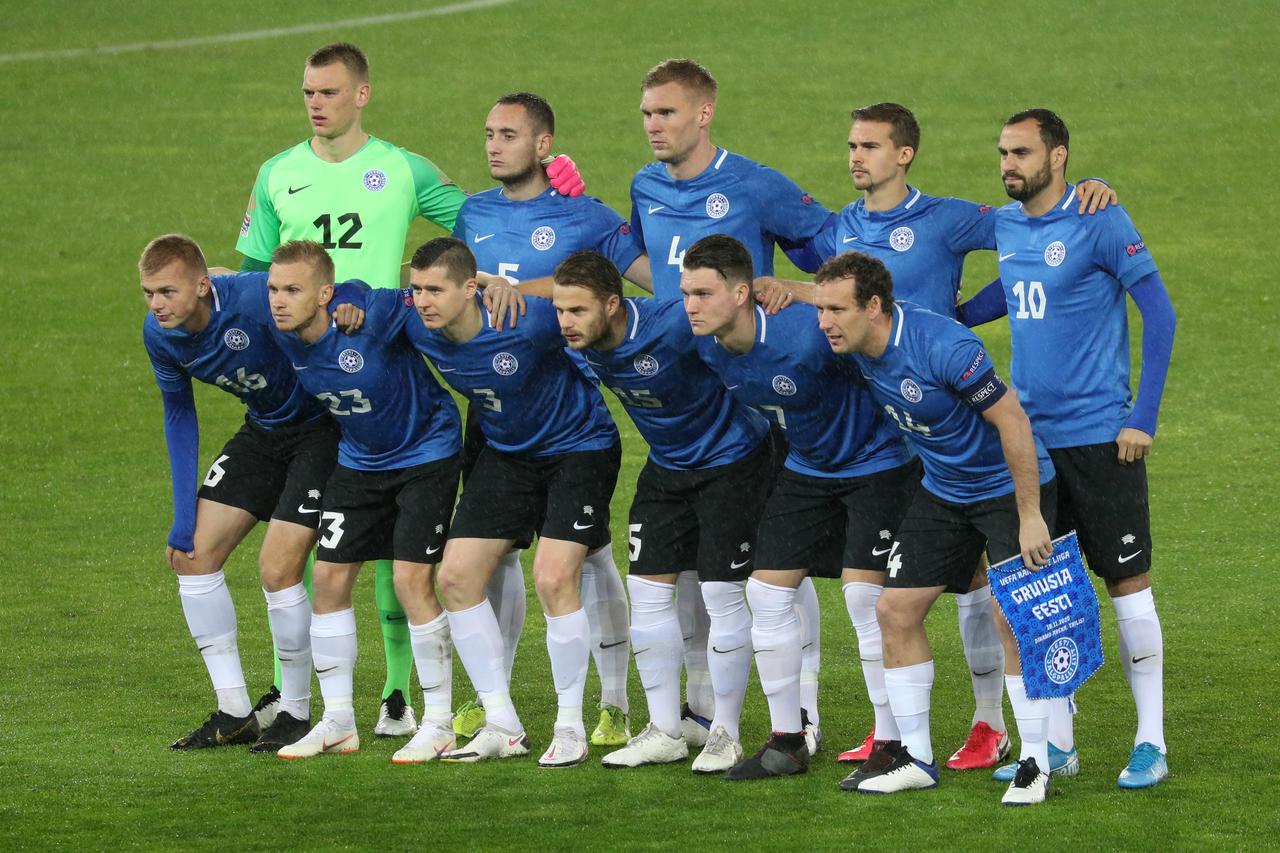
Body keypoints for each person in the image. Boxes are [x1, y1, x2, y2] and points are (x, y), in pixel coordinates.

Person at [234, 42, 583, 735]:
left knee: (400, 553)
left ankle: (397, 693)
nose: (315, 102)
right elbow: (255, 273)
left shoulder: (402, 169)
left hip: (388, 365)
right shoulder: (277, 174)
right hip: (312, 378)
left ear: (361, 94)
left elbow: (481, 227)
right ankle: (300, 698)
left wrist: (558, 189)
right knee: (309, 548)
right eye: (308, 91)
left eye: (328, 91)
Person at [756, 102, 1117, 769]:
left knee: (984, 585)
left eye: (869, 145)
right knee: (894, 592)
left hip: (947, 414)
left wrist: (969, 313)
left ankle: (1001, 725)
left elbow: (1033, 237)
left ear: (905, 154)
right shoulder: (843, 229)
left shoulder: (949, 218)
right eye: (851, 144)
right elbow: (837, 299)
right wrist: (791, 290)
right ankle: (898, 734)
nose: (855, 156)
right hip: (891, 425)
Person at [960, 108, 1176, 789]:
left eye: (1021, 152)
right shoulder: (1007, 225)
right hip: (1030, 442)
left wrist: (1141, 416)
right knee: (1042, 591)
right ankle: (1057, 742)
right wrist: (963, 316)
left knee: (1125, 586)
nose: (1007, 164)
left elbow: (1161, 313)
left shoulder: (1100, 217)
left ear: (1059, 158)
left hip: (1102, 439)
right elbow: (1020, 289)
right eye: (1002, 152)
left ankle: (1151, 741)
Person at [629, 57, 833, 744]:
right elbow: (650, 265)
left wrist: (800, 291)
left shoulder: (755, 185)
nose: (653, 125)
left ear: (704, 113)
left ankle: (801, 708)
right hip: (683, 399)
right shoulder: (644, 185)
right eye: (647, 113)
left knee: (774, 564)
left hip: (753, 404)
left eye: (667, 112)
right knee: (690, 571)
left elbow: (835, 247)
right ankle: (697, 710)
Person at [815, 251, 1059, 806]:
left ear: (873, 306)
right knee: (893, 612)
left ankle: (1035, 761)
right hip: (945, 490)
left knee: (1011, 615)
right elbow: (809, 303)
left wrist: (1029, 514)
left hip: (1004, 487)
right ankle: (917, 757)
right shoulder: (855, 341)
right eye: (820, 307)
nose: (824, 320)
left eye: (835, 309)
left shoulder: (944, 347)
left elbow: (1013, 421)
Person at [679, 235, 919, 780]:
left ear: (742, 293)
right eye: (686, 292)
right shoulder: (708, 345)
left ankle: (890, 740)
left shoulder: (806, 336)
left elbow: (877, 333)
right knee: (765, 594)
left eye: (702, 293)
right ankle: (787, 741)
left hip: (876, 465)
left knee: (864, 598)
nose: (690, 305)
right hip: (807, 468)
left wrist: (801, 290)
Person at [448, 92, 647, 747]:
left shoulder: (583, 216)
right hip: (494, 412)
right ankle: (494, 704)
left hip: (566, 410)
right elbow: (446, 288)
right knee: (489, 559)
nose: (493, 144)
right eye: (488, 133)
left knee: (584, 559)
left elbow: (649, 273)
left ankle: (612, 701)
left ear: (544, 145)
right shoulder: (472, 212)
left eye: (508, 134)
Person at [386, 237, 622, 767]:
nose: (422, 300)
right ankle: (503, 722)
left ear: (471, 288)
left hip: (579, 448)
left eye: (435, 290)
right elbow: (349, 295)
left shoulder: (526, 320)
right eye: (417, 289)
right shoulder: (412, 321)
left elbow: (586, 308)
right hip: (507, 453)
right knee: (455, 578)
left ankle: (570, 725)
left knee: (555, 577)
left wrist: (510, 286)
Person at [553, 250, 776, 773]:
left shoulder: (675, 325)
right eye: (561, 310)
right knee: (648, 592)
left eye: (578, 311)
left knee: (722, 595)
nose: (565, 323)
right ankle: (665, 731)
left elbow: (745, 326)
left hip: (732, 463)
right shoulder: (578, 330)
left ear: (612, 304)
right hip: (667, 468)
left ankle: (725, 732)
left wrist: (779, 290)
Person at [262, 241, 462, 760]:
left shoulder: (366, 318)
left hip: (427, 453)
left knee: (410, 581)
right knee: (327, 579)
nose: (278, 301)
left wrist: (357, 295)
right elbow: (219, 280)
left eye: (292, 290)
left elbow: (405, 296)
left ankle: (439, 721)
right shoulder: (280, 331)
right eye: (274, 290)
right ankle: (338, 722)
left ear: (325, 294)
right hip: (359, 462)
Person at [140, 234, 339, 754]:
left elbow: (331, 296)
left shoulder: (253, 296)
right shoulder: (159, 336)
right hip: (266, 430)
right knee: (193, 556)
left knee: (277, 569)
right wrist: (184, 518)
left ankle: (295, 712)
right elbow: (178, 416)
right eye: (148, 294)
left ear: (204, 286)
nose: (156, 305)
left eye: (167, 292)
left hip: (323, 429)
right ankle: (234, 711)